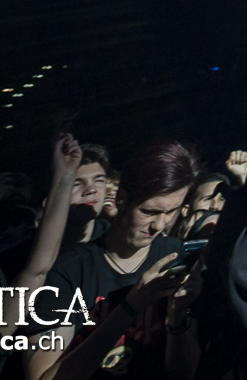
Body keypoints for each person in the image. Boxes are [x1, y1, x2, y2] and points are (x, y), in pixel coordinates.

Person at [25, 139, 200, 380]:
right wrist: (129, 308)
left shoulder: (176, 255)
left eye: (171, 212)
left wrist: (178, 320)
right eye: (149, 212)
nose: (159, 225)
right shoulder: (71, 271)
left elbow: (183, 374)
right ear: (121, 199)